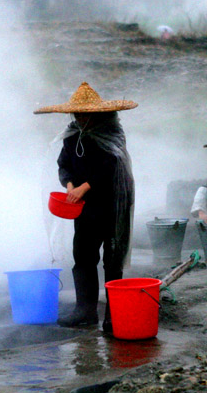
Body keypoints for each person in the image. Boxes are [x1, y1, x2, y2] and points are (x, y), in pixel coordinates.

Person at [34, 82, 136, 330]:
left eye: (85, 113)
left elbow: (111, 167)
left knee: (112, 259)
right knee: (82, 255)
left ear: (98, 113)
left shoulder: (112, 135)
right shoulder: (72, 136)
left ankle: (114, 315)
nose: (80, 118)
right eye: (77, 113)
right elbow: (64, 164)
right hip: (85, 208)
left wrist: (85, 187)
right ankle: (85, 311)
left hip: (112, 204)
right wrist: (69, 185)